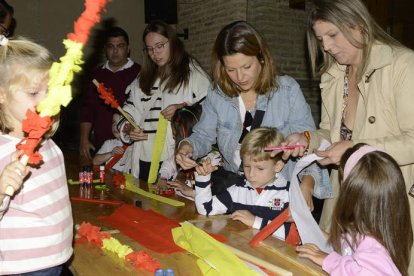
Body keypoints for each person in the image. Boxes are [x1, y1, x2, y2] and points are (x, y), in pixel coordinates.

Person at [282, 1, 414, 270]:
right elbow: (331, 134)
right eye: (321, 39)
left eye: (332, 35)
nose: (326, 46)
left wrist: (355, 149)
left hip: (387, 202)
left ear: (359, 25)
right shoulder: (333, 76)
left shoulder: (403, 65)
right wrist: (308, 139)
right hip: (344, 199)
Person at [176, 20, 331, 209]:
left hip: (277, 196)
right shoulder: (218, 94)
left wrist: (307, 185)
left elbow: (308, 144)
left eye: (246, 67)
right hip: (236, 192)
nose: (240, 77)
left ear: (262, 58)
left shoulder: (287, 91)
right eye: (231, 70)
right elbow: (203, 135)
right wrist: (186, 147)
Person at [0, 38, 73, 274]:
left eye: (49, 91)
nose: (45, 101)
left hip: (55, 259)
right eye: (33, 92)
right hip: (22, 267)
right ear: (1, 95)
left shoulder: (49, 144)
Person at [297, 144, 413, 276]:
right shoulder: (369, 229)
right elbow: (347, 247)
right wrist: (305, 221)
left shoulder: (375, 247)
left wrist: (329, 261)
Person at [118, 20, 210, 181]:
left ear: (172, 42)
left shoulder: (191, 72)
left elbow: (211, 109)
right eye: (150, 49)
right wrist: (128, 129)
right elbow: (128, 111)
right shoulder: (142, 78)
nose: (155, 53)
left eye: (160, 46)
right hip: (143, 156)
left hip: (174, 157)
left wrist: (181, 108)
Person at [194, 128, 299, 242]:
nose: (251, 174)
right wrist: (203, 177)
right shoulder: (238, 189)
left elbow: (294, 237)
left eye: (260, 168)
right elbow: (206, 209)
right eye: (247, 166)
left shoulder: (290, 193)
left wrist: (255, 221)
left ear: (277, 166)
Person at [80, 26, 140, 161]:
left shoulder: (140, 73)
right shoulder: (96, 76)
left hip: (132, 144)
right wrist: (84, 139)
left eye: (120, 46)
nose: (115, 51)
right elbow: (87, 110)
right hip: (101, 144)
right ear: (105, 50)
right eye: (111, 46)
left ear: (128, 48)